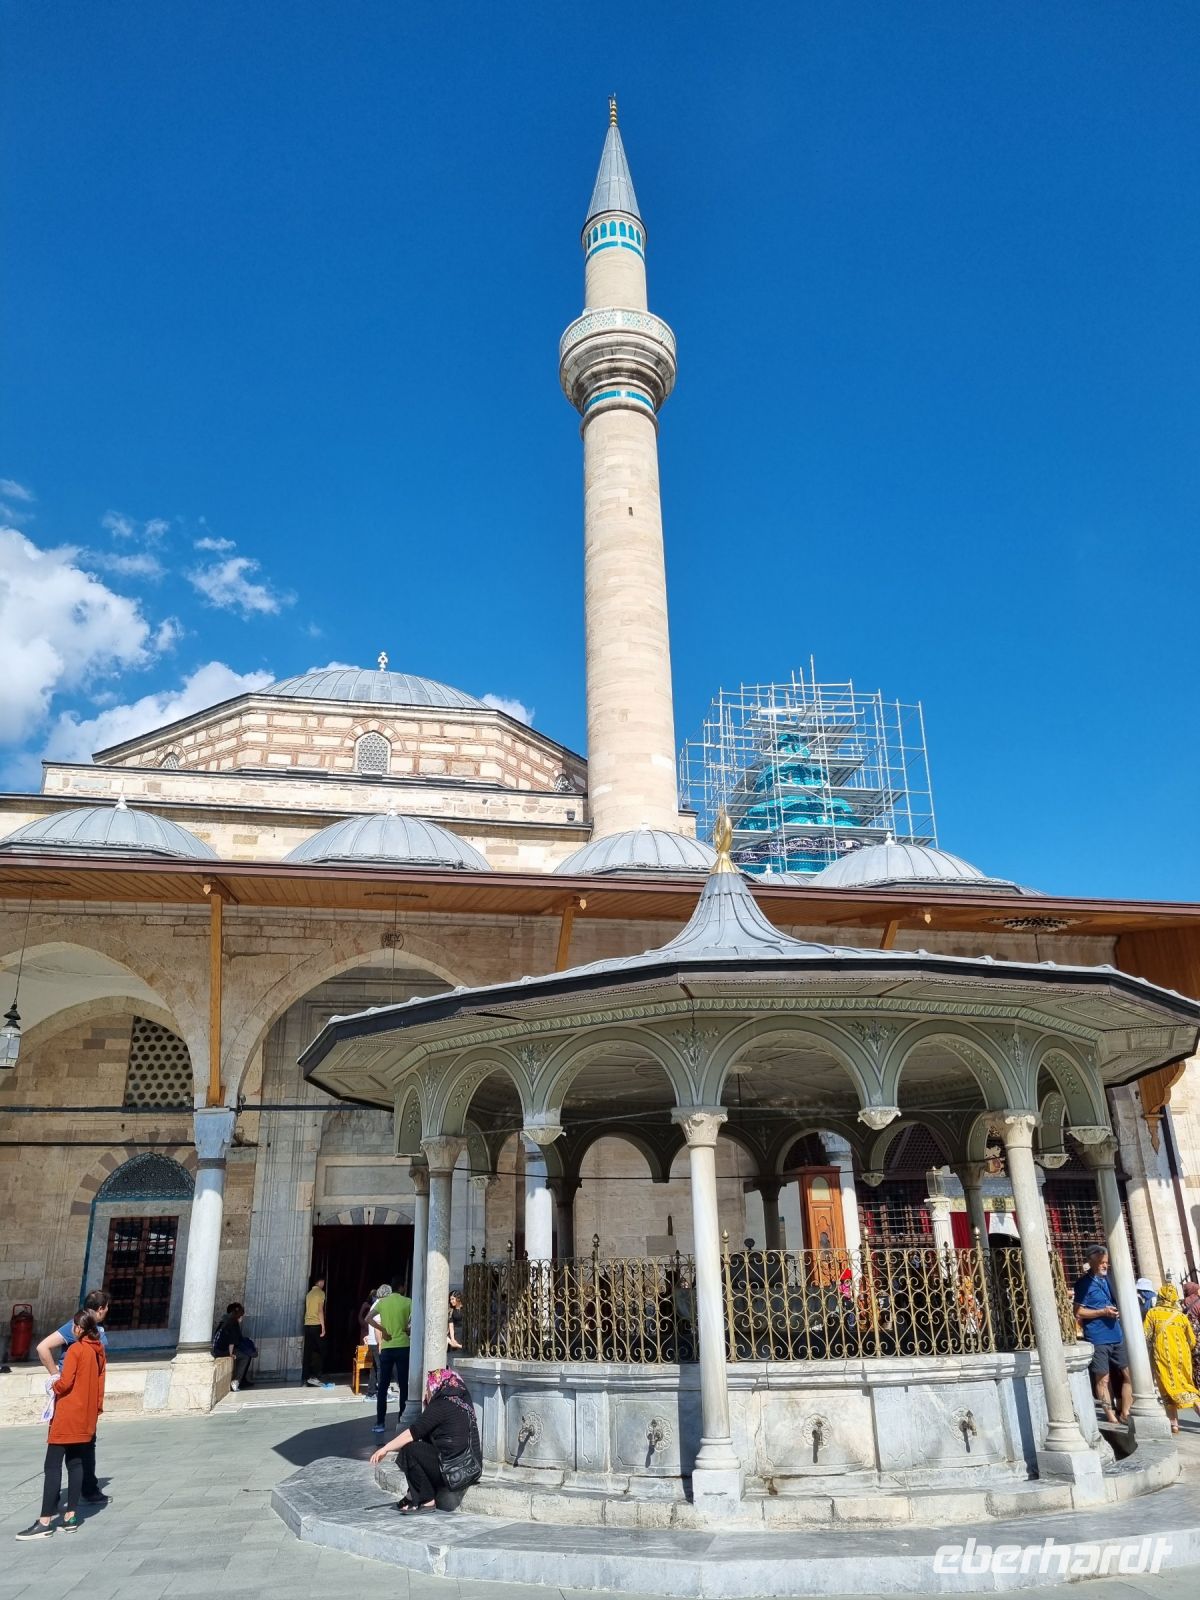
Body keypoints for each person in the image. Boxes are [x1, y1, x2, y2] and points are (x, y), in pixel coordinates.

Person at [16, 1308, 107, 1539]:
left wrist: (52, 1385)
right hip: (86, 1417)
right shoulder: (98, 1351)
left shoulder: (76, 1349)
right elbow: (100, 1384)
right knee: (76, 1464)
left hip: (67, 1416)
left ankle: (45, 1520)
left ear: (78, 1328)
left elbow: (65, 1383)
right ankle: (71, 1517)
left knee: (52, 1466)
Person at [35, 1287, 111, 1506]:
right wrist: (55, 1377)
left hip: (87, 1394)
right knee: (64, 1452)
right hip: (71, 1395)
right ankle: (66, 1497)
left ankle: (85, 1490)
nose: (106, 1312)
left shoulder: (94, 1331)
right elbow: (43, 1348)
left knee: (85, 1445)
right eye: (105, 1308)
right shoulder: (75, 1328)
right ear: (100, 1309)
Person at [369, 1367, 480, 1513]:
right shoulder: (461, 1398)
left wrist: (385, 1448)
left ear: (436, 1386)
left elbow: (412, 1433)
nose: (426, 1392)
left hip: (453, 1471)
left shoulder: (440, 1405)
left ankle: (427, 1500)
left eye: (427, 1387)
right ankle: (411, 1495)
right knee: (423, 1447)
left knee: (409, 1450)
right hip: (470, 1468)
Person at [1073, 1245, 1131, 1424]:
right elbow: (1079, 1312)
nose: (1105, 1265)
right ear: (1091, 1262)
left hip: (1117, 1334)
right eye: (1101, 1262)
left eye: (1106, 1262)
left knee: (1129, 1375)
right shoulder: (1083, 1284)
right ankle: (1111, 1416)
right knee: (1102, 1379)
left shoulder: (1110, 1280)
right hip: (1098, 1337)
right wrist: (1102, 1312)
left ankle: (1125, 1412)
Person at [1143, 1282, 1200, 1434]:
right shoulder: (1181, 1316)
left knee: (1167, 1387)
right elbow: (1192, 1340)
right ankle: (1182, 1419)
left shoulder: (1153, 1313)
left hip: (1163, 1355)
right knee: (1186, 1385)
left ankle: (1174, 1424)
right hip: (1183, 1357)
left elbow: (1146, 1336)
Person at [371, 1282, 412, 1433]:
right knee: (403, 1384)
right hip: (402, 1346)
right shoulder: (407, 1301)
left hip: (387, 1347)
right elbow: (417, 1319)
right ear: (401, 1288)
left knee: (383, 1385)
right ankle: (402, 1418)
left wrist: (383, 1330)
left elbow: (369, 1318)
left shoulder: (382, 1302)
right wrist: (407, 1329)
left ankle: (380, 1422)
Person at [213, 1302, 255, 1390]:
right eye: (242, 1315)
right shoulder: (233, 1323)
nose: (242, 1317)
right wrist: (231, 1354)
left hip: (219, 1348)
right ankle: (236, 1381)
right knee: (245, 1356)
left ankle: (242, 1378)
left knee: (246, 1352)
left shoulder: (226, 1321)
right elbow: (232, 1341)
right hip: (222, 1350)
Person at [359, 1284, 389, 1400]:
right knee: (382, 1367)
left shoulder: (376, 1305)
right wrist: (380, 1343)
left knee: (375, 1367)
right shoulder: (379, 1305)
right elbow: (378, 1326)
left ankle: (371, 1392)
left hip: (373, 1341)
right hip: (376, 1342)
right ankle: (382, 1393)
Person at [302, 1274, 328, 1388]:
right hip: (316, 1324)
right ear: (320, 1282)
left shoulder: (309, 1294)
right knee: (322, 1350)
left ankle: (306, 1377)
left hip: (307, 1325)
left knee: (307, 1352)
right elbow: (320, 1310)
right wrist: (323, 1326)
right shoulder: (320, 1293)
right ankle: (316, 1375)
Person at [447, 1292, 464, 1358]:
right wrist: (453, 1339)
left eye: (452, 1299)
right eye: (450, 1299)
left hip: (464, 1333)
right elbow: (451, 1326)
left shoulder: (466, 1308)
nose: (451, 1301)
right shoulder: (451, 1311)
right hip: (456, 1333)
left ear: (458, 1298)